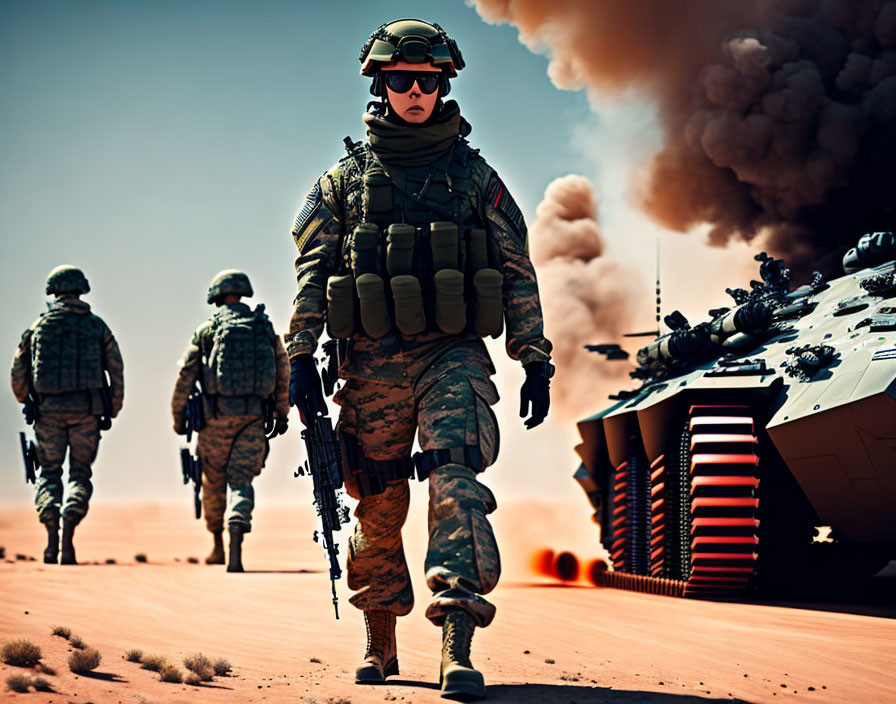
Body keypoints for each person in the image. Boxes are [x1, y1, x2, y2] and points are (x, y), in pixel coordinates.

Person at [286, 19, 553, 701]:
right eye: (401, 80)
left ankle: (456, 639)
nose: (414, 92)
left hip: (452, 355)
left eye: (427, 82)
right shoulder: (344, 181)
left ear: (443, 85)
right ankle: (380, 638)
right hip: (369, 362)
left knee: (455, 480)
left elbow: (516, 268)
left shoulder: (474, 177)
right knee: (376, 499)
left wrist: (534, 356)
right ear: (380, 83)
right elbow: (313, 272)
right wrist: (298, 354)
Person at [171, 270, 289, 572]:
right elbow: (282, 372)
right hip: (253, 419)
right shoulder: (263, 328)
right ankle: (237, 533)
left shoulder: (208, 330)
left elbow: (185, 376)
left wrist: (178, 417)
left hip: (215, 421)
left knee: (212, 482)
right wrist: (281, 413)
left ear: (217, 295)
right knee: (241, 481)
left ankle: (217, 546)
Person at [10, 265, 124, 565]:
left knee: (49, 473)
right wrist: (112, 406)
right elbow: (116, 369)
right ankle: (68, 537)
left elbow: (18, 373)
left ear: (53, 291)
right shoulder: (97, 326)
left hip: (48, 412)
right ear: (81, 289)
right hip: (87, 411)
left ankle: (50, 541)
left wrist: (28, 400)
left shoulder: (37, 327)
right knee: (80, 474)